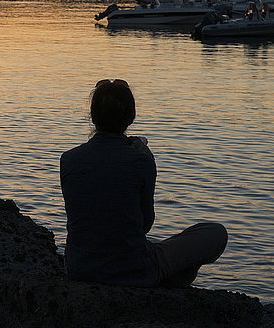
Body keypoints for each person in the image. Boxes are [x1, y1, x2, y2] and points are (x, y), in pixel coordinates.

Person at [60, 78, 227, 288]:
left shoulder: (68, 159)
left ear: (93, 117)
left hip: (79, 269)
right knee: (216, 233)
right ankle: (166, 285)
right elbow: (146, 224)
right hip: (132, 269)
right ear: (130, 118)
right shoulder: (141, 160)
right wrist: (147, 158)